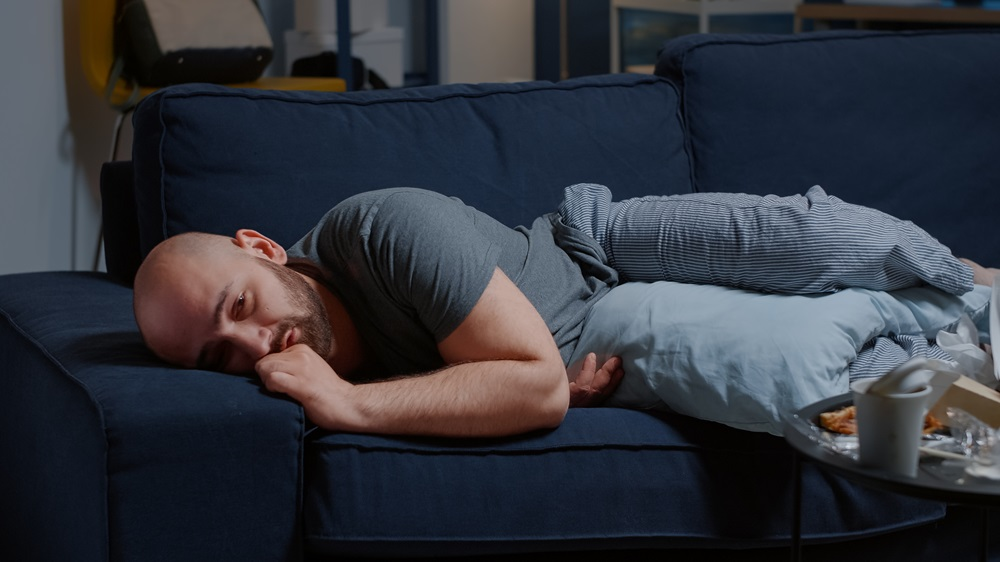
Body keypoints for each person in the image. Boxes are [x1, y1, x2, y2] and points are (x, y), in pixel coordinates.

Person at [133, 185, 995, 438]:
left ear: (261, 247)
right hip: (598, 337)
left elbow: (529, 387)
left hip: (600, 249)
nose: (252, 342)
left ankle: (979, 282)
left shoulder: (380, 229)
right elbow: (536, 387)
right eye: (217, 355)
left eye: (237, 305)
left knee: (820, 240)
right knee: (825, 378)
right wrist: (511, 385)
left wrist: (352, 404)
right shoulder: (287, 369)